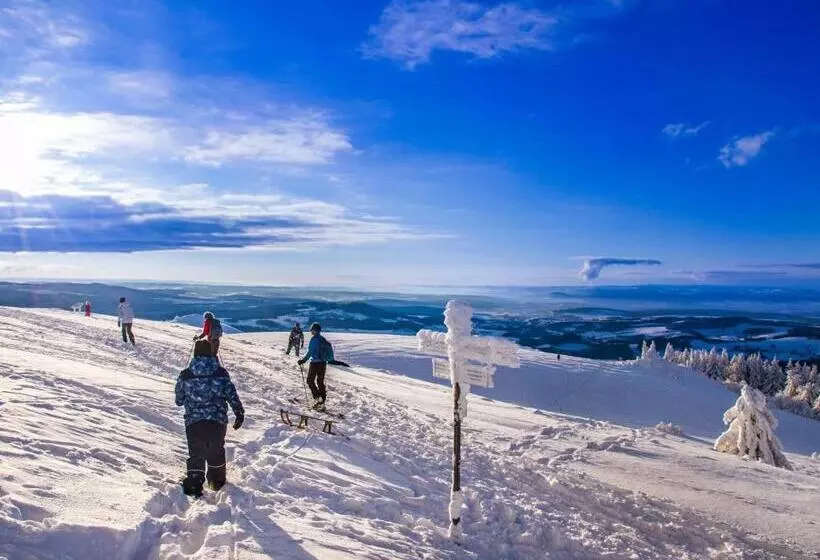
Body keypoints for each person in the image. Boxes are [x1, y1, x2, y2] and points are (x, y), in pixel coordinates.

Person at [175, 340, 244, 497]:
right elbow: (231, 394)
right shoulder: (221, 373)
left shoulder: (185, 375)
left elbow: (178, 400)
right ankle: (216, 482)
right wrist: (239, 412)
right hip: (217, 421)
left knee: (196, 452)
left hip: (193, 422)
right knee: (215, 451)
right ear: (211, 353)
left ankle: (194, 483)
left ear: (195, 354)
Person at [298, 322, 333, 411]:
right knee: (320, 382)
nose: (311, 331)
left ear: (315, 330)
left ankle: (318, 398)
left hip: (315, 363)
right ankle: (322, 402)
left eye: (312, 329)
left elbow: (310, 352)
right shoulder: (322, 339)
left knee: (310, 381)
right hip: (323, 363)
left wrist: (303, 360)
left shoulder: (314, 340)